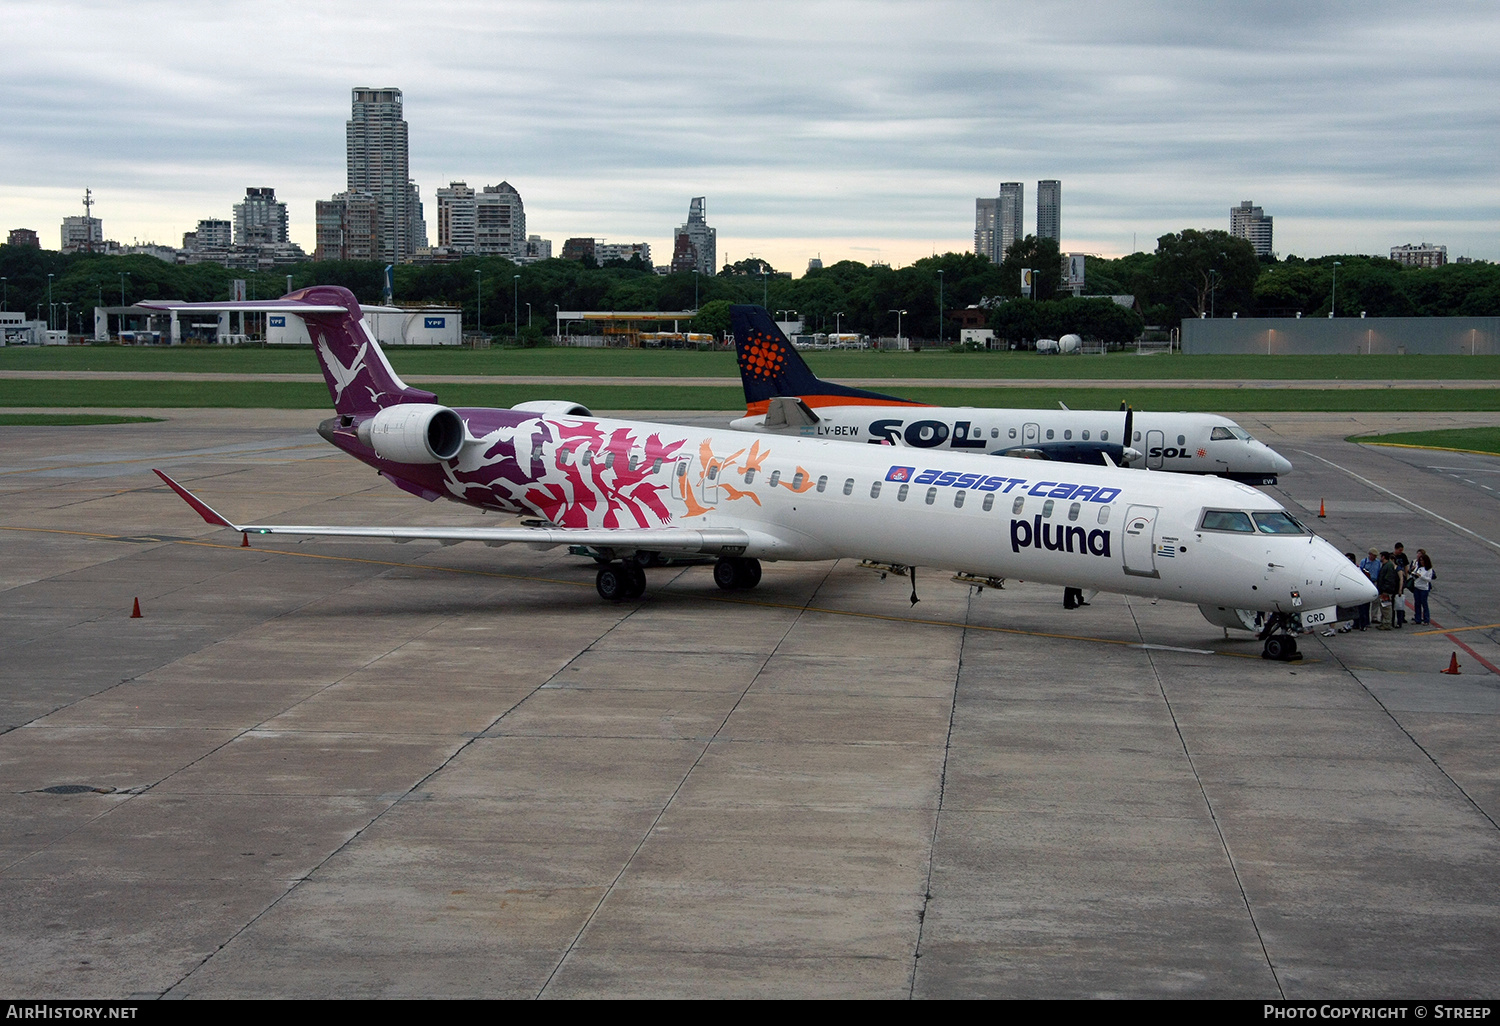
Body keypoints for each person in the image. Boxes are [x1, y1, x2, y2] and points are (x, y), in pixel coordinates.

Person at [1357, 547, 1381, 631]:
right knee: (1366, 604)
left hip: (1375, 582)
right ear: (1370, 554)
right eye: (1373, 555)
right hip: (1367, 582)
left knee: (1375, 602)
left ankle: (1374, 617)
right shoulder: (1364, 562)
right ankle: (1366, 621)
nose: (1375, 557)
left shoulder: (1377, 562)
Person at [1376, 551, 1401, 630]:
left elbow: (1389, 579)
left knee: (1386, 608)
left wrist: (1385, 590)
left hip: (1386, 591)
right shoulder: (1386, 565)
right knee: (1383, 608)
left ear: (1383, 557)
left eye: (1381, 556)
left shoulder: (1388, 566)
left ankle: (1387, 623)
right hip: (1384, 590)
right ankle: (1384, 622)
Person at [1410, 553, 1435, 625]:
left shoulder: (1429, 569)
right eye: (1420, 561)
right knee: (1417, 603)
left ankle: (1426, 619)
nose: (1421, 562)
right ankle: (1417, 619)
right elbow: (1414, 574)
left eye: (1423, 561)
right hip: (1417, 587)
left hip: (1424, 588)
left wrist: (1421, 576)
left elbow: (1429, 579)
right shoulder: (1419, 568)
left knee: (1424, 603)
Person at [1392, 543, 1411, 626]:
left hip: (1401, 579)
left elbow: (1406, 566)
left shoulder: (1403, 556)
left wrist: (1406, 577)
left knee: (1400, 601)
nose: (1401, 552)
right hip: (1394, 581)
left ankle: (1401, 617)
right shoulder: (1391, 556)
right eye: (1399, 550)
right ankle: (1393, 618)